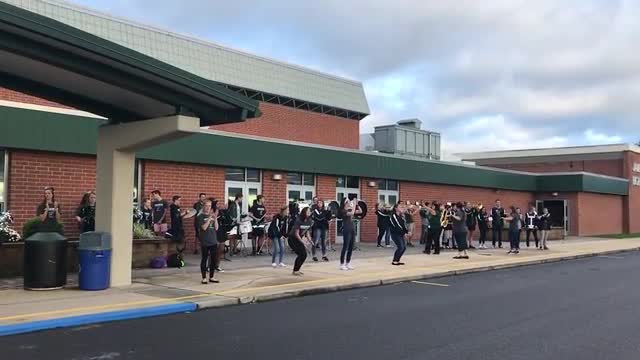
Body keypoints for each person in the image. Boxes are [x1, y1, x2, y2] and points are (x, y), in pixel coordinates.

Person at [196, 200, 219, 284]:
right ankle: (204, 277)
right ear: (204, 206)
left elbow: (216, 228)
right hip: (205, 241)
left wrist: (215, 218)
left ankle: (212, 277)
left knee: (213, 260)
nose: (208, 208)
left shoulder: (212, 216)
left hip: (213, 240)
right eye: (206, 206)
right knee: (204, 259)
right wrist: (209, 218)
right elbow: (204, 227)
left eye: (209, 206)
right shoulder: (200, 216)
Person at [288, 207, 313, 276]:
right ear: (304, 212)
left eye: (310, 211)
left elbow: (307, 232)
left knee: (304, 255)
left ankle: (297, 270)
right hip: (292, 238)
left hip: (299, 239)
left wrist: (310, 240)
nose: (309, 212)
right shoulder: (298, 220)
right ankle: (295, 270)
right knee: (301, 254)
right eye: (307, 211)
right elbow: (296, 233)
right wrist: (303, 242)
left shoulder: (309, 221)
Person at [339, 196, 362, 271]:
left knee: (351, 247)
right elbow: (351, 213)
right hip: (346, 229)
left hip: (352, 228)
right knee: (345, 247)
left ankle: (348, 262)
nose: (349, 203)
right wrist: (354, 204)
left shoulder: (350, 209)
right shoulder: (343, 211)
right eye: (348, 201)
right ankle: (342, 264)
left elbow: (360, 211)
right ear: (345, 203)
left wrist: (357, 205)